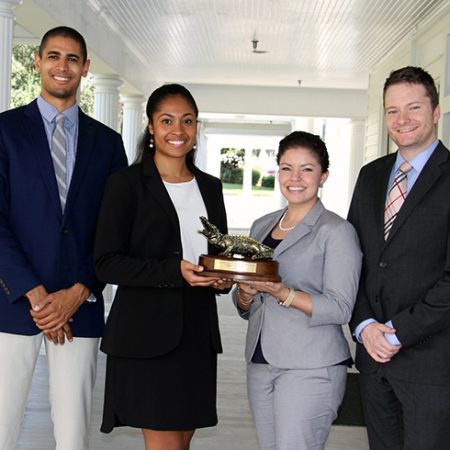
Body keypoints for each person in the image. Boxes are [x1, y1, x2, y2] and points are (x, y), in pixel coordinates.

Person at [0, 26, 128, 450]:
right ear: (37, 61)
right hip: (15, 302)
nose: (62, 66)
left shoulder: (108, 145)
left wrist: (79, 290)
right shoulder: (4, 131)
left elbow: (115, 229)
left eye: (72, 58)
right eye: (53, 55)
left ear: (86, 68)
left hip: (80, 305)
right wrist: (35, 294)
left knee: (73, 434)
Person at [94, 83, 231, 450]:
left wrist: (224, 279)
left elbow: (219, 253)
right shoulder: (126, 185)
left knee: (181, 443)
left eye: (188, 121)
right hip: (146, 337)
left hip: (197, 335)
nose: (178, 130)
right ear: (151, 127)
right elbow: (106, 264)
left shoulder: (211, 187)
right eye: (167, 120)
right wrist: (174, 272)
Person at [233, 131, 362, 450]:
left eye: (307, 169)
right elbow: (248, 305)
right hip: (261, 360)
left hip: (311, 367)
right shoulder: (261, 226)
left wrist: (282, 292)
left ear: (323, 176)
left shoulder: (337, 232)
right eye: (286, 168)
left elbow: (340, 308)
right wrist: (246, 295)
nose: (295, 178)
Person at [348, 66, 450, 450]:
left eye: (414, 108)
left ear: (436, 112)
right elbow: (352, 260)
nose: (402, 120)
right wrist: (364, 325)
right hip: (374, 361)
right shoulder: (370, 176)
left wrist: (397, 332)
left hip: (432, 364)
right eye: (392, 110)